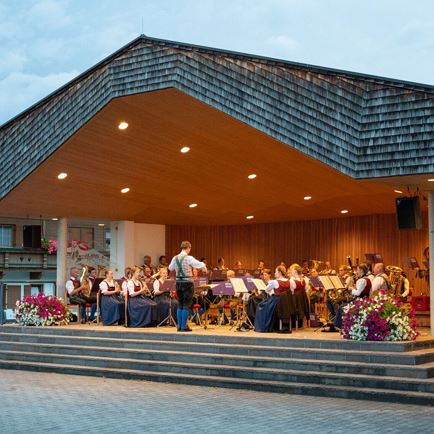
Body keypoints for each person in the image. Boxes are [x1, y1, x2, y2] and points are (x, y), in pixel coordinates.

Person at [168, 241, 207, 332]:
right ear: (188, 248)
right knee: (186, 304)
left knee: (180, 304)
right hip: (187, 283)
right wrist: (204, 266)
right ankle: (184, 326)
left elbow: (170, 268)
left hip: (178, 283)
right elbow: (199, 264)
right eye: (190, 248)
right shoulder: (189, 258)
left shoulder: (175, 257)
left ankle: (179, 326)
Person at [333, 263, 372, 329]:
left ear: (361, 271)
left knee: (341, 307)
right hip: (365, 300)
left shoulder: (361, 280)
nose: (357, 272)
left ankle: (339, 326)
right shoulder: (368, 279)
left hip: (359, 302)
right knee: (342, 305)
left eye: (358, 270)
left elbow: (357, 293)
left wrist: (352, 289)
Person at [255, 266, 291, 332]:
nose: (274, 273)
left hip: (276, 302)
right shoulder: (288, 281)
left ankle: (263, 326)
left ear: (279, 272)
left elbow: (266, 290)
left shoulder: (275, 282)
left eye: (276, 271)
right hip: (286, 303)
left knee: (260, 306)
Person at [288, 263, 310, 328]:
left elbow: (291, 292)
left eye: (291, 270)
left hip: (295, 303)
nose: (290, 272)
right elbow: (306, 290)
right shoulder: (304, 280)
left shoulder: (292, 281)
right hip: (302, 303)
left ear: (294, 271)